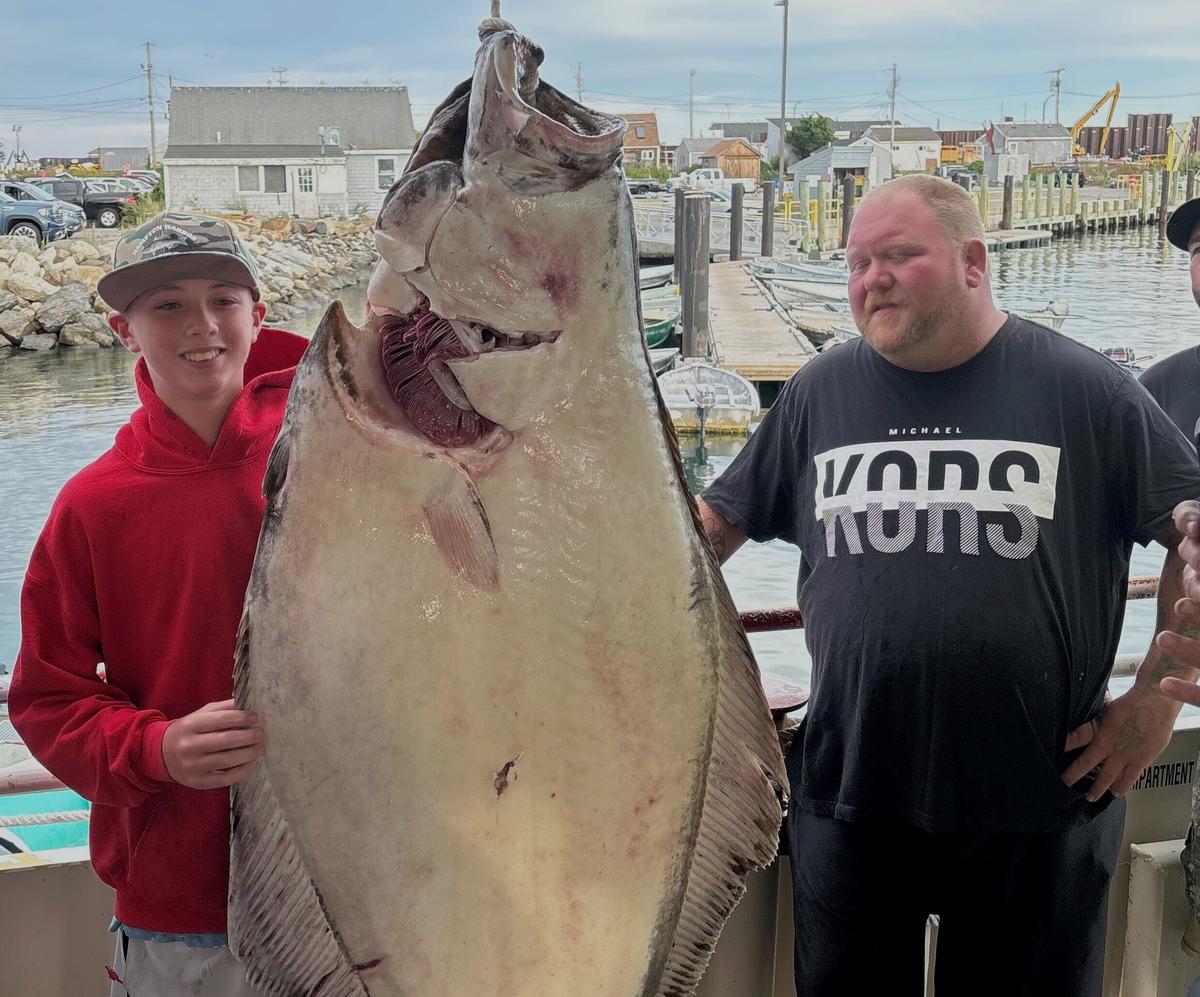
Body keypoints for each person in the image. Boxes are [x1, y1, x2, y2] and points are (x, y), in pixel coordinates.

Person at [698, 174, 1200, 996]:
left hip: (1043, 804)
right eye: (857, 262)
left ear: (974, 262)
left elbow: (1189, 529)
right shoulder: (818, 392)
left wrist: (1155, 701)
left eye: (898, 255)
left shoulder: (1087, 388)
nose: (872, 279)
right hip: (851, 797)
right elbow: (713, 529)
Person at [8, 212, 308, 997]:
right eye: (167, 304)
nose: (201, 324)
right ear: (123, 328)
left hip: (360, 883)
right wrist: (158, 747)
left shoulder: (345, 456)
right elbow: (48, 699)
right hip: (182, 910)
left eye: (223, 298)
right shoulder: (92, 506)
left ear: (259, 315)